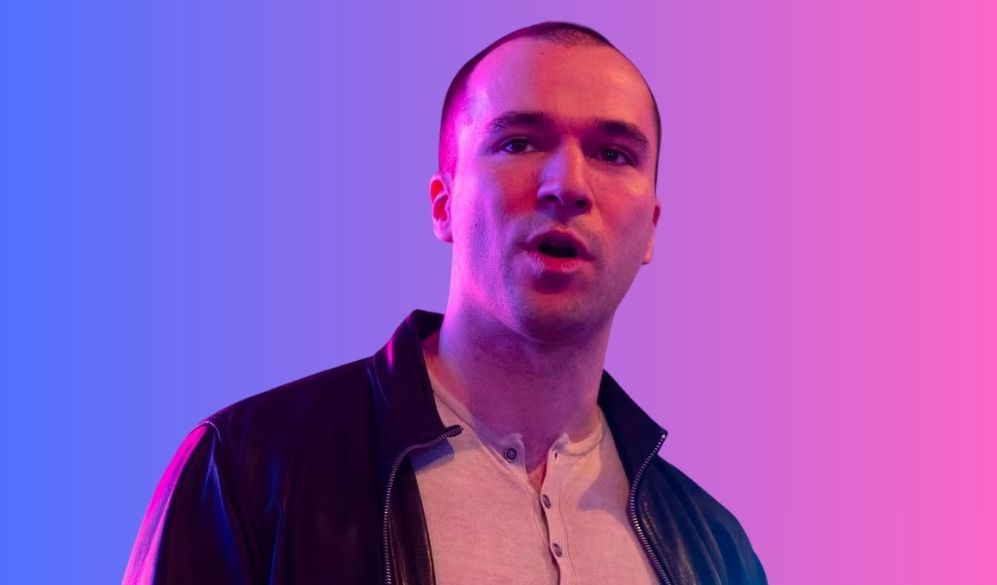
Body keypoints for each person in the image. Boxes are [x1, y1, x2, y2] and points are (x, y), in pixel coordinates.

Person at [123, 22, 767, 585]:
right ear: (443, 204)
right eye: (519, 142)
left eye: (613, 154)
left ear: (651, 228)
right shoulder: (245, 470)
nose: (568, 184)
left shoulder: (714, 548)